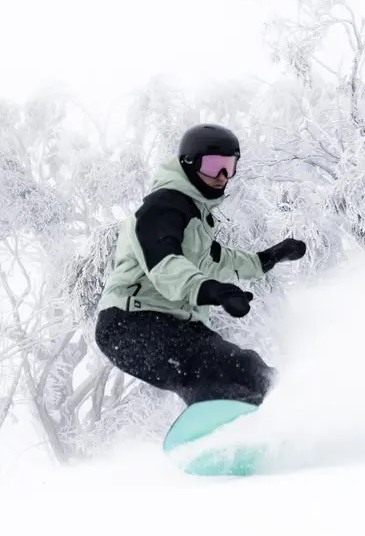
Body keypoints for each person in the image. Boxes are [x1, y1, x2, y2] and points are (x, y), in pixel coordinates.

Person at [93, 123, 306, 407]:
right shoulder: (160, 208)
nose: (221, 176)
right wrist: (213, 290)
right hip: (129, 322)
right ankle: (220, 432)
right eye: (213, 165)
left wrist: (269, 258)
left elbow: (219, 259)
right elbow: (165, 264)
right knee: (201, 371)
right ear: (189, 164)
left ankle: (288, 408)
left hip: (176, 324)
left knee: (246, 367)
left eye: (229, 167)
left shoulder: (195, 217)